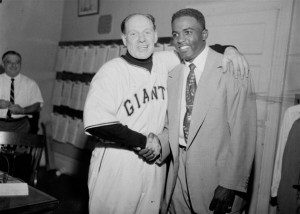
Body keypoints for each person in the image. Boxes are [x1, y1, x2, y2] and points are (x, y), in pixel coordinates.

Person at [83, 13, 249, 214]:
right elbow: (96, 124)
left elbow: (201, 49)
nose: (142, 39)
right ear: (124, 39)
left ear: (155, 36)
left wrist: (230, 50)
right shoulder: (110, 72)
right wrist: (143, 142)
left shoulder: (168, 61)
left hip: (156, 163)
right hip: (118, 162)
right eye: (133, 34)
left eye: (147, 32)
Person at [140, 8, 257, 214]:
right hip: (178, 177)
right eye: (175, 34)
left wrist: (230, 184)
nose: (180, 39)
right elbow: (172, 126)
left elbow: (243, 133)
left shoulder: (231, 69)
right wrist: (158, 144)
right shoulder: (174, 75)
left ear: (204, 34)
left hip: (217, 177)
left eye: (188, 32)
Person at [0, 50, 43, 133]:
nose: (13, 65)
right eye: (9, 62)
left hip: (21, 126)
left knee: (20, 146)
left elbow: (37, 106)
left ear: (20, 64)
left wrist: (22, 110)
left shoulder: (30, 83)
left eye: (17, 62)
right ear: (3, 64)